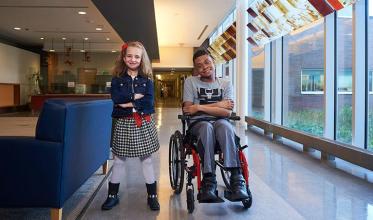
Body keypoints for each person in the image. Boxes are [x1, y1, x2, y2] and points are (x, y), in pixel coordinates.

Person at [182, 49, 250, 202]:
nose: (204, 67)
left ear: (213, 61)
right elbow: (188, 109)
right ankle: (209, 180)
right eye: (199, 65)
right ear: (195, 69)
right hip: (198, 124)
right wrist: (219, 105)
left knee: (225, 126)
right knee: (207, 127)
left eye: (207, 62)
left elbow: (227, 113)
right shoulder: (190, 82)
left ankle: (237, 178)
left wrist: (199, 107)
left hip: (220, 122)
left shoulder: (225, 83)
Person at [102, 41, 160, 211]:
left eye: (137, 56)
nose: (133, 59)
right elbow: (117, 100)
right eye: (129, 56)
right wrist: (135, 97)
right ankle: (112, 195)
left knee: (147, 160)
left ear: (142, 59)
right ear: (124, 57)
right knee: (119, 160)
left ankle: (152, 196)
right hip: (123, 123)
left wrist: (129, 103)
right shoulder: (117, 79)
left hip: (143, 123)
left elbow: (149, 103)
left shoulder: (147, 80)